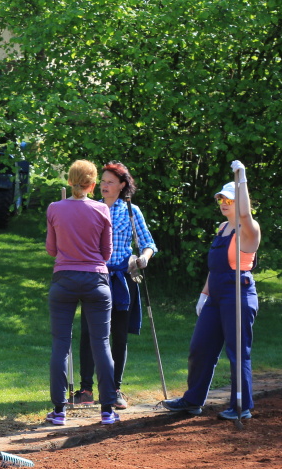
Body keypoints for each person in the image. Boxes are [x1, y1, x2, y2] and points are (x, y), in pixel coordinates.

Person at [162, 161, 261, 420]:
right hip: (216, 294)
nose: (223, 203)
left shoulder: (248, 229)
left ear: (240, 201)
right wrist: (204, 294)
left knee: (237, 352)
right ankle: (192, 400)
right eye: (221, 199)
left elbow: (245, 215)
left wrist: (242, 177)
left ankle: (241, 406)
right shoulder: (221, 228)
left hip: (238, 294)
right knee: (200, 348)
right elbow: (215, 267)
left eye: (229, 200)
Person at [73, 162, 159, 409]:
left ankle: (114, 389)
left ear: (122, 185)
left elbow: (149, 243)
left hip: (122, 279)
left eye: (110, 182)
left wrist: (144, 258)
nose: (105, 186)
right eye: (102, 181)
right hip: (94, 278)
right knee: (89, 333)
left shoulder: (131, 211)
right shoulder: (90, 208)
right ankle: (86, 389)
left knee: (119, 336)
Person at [45, 160, 119, 426]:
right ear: (93, 184)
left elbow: (51, 250)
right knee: (101, 343)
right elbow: (106, 253)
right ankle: (107, 410)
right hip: (96, 280)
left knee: (60, 344)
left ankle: (59, 411)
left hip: (64, 279)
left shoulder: (54, 208)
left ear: (70, 181)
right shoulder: (102, 209)